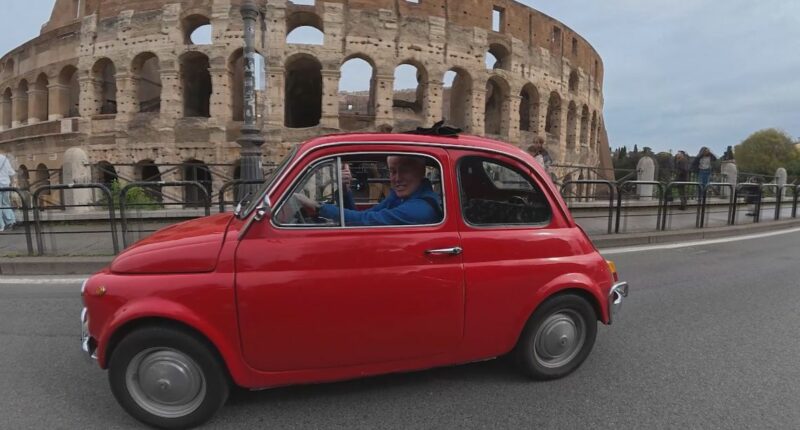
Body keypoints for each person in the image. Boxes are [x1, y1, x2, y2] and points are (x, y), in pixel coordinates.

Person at [296, 155, 442, 226]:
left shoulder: (420, 209)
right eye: (392, 171)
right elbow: (364, 216)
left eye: (404, 171)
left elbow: (366, 221)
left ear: (421, 171)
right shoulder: (399, 198)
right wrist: (345, 190)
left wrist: (318, 207)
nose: (396, 178)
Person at [0, 153, 17, 232]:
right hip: (6, 184)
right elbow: (11, 172)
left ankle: (1, 225)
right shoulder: (4, 158)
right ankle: (11, 220)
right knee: (5, 203)